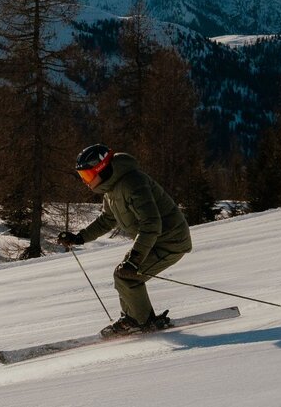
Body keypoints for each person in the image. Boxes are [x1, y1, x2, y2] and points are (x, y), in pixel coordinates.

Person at [55, 144, 193, 337]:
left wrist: (134, 259)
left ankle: (142, 321)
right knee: (123, 274)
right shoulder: (111, 189)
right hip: (154, 241)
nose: (85, 182)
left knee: (127, 275)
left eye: (87, 175)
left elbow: (151, 224)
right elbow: (107, 219)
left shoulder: (132, 183)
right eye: (82, 177)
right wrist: (79, 238)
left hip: (171, 241)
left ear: (101, 169)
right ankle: (132, 318)